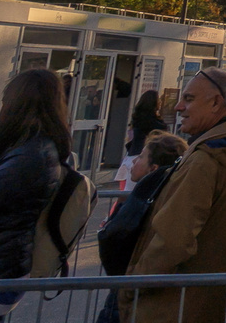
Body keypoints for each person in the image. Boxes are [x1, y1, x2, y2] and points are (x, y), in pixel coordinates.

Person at [122, 68, 226, 323]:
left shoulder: (205, 161)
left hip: (172, 306)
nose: (178, 107)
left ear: (215, 103)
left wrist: (131, 286)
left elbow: (173, 241)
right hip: (215, 303)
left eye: (188, 99)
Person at [0, 68, 67, 322]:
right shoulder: (26, 150)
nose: (1, 109)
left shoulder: (30, 156)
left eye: (6, 101)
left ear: (19, 105)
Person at [95, 131, 188, 323]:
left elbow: (114, 239)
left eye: (141, 157)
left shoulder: (144, 202)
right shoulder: (161, 195)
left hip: (128, 286)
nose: (134, 161)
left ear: (153, 168)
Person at [119, 90, 167, 192]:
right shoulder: (157, 124)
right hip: (145, 159)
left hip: (131, 156)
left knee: (126, 191)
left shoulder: (137, 119)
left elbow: (131, 140)